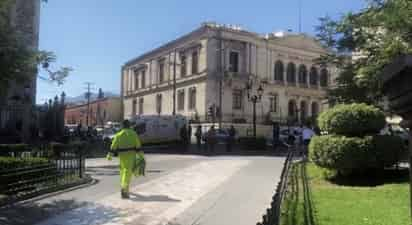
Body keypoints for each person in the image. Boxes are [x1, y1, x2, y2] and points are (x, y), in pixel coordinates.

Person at [107, 120, 142, 199]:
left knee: (123, 172)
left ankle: (125, 189)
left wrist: (110, 155)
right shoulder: (133, 134)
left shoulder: (118, 135)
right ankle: (124, 188)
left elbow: (113, 145)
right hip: (131, 156)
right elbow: (138, 146)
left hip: (122, 156)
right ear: (129, 125)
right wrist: (141, 155)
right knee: (128, 172)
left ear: (122, 126)